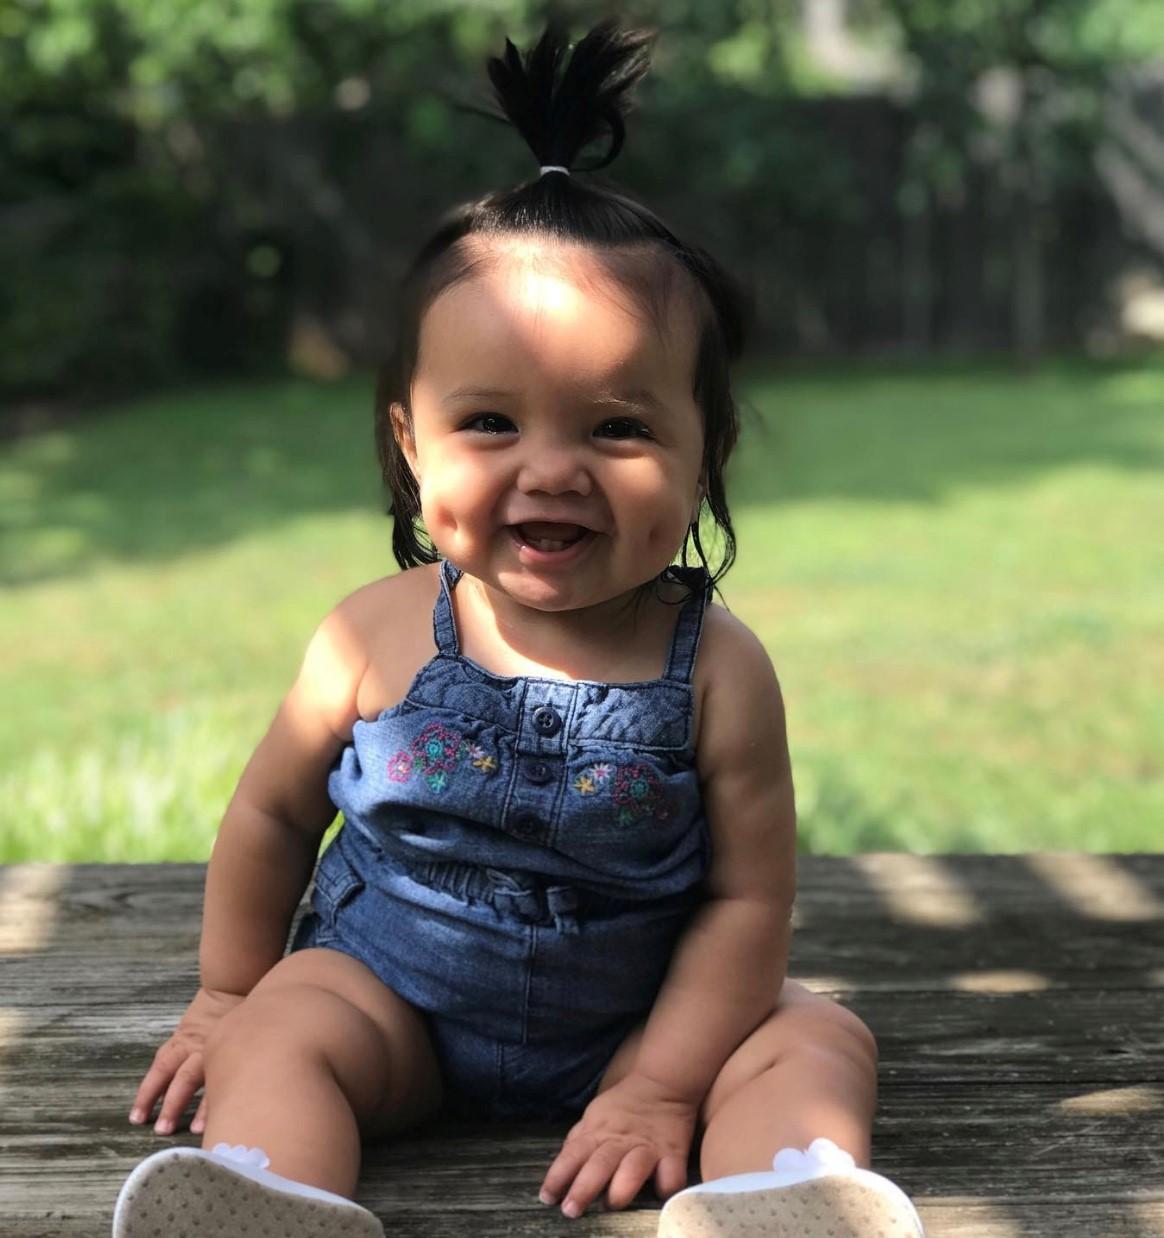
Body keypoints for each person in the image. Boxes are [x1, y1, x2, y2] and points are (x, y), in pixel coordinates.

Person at [113, 21, 924, 1238]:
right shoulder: (369, 635)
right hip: (394, 1012)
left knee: (817, 1035)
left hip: (641, 1023)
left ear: (706, 458)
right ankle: (272, 1194)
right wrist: (227, 991)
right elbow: (274, 812)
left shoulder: (720, 671)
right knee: (284, 1021)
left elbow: (748, 902)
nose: (552, 471)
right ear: (409, 440)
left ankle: (777, 1195)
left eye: (615, 428)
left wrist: (660, 1080)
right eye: (490, 420)